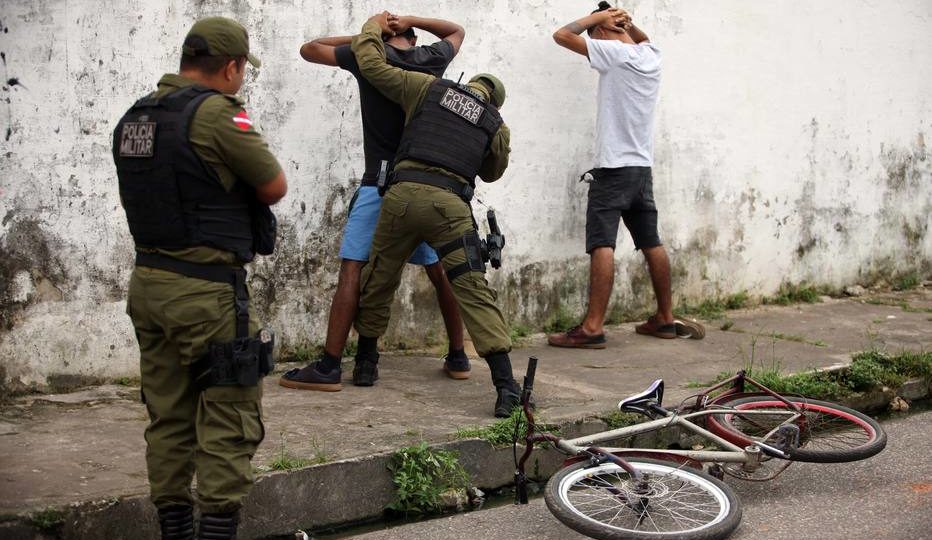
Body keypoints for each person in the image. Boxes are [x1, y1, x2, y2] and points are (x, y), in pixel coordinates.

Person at [112, 17, 287, 540]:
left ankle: (174, 531)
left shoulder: (136, 117)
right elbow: (273, 185)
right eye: (241, 72)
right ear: (231, 67)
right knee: (229, 417)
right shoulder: (213, 115)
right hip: (206, 292)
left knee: (167, 416)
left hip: (148, 284)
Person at [280, 14, 470, 391]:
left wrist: (372, 33)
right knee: (440, 272)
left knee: (354, 270)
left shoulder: (371, 59)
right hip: (422, 186)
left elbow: (309, 48)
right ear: (414, 39)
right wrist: (409, 20)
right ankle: (459, 355)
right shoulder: (430, 59)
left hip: (378, 185)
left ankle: (331, 365)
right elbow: (456, 31)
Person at [346, 12, 521, 417]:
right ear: (493, 100)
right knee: (472, 288)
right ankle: (505, 387)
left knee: (380, 276)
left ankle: (366, 364)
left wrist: (373, 26)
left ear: (468, 83)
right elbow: (492, 173)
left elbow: (372, 66)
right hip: (449, 207)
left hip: (402, 197)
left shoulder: (429, 88)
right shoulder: (494, 122)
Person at [547, 2, 704, 350]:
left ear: (603, 34)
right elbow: (642, 37)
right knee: (651, 241)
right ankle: (665, 317)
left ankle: (592, 327)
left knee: (602, 242)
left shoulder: (612, 53)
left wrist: (599, 19)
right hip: (641, 169)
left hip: (614, 168)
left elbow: (561, 35)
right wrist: (627, 24)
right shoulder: (651, 54)